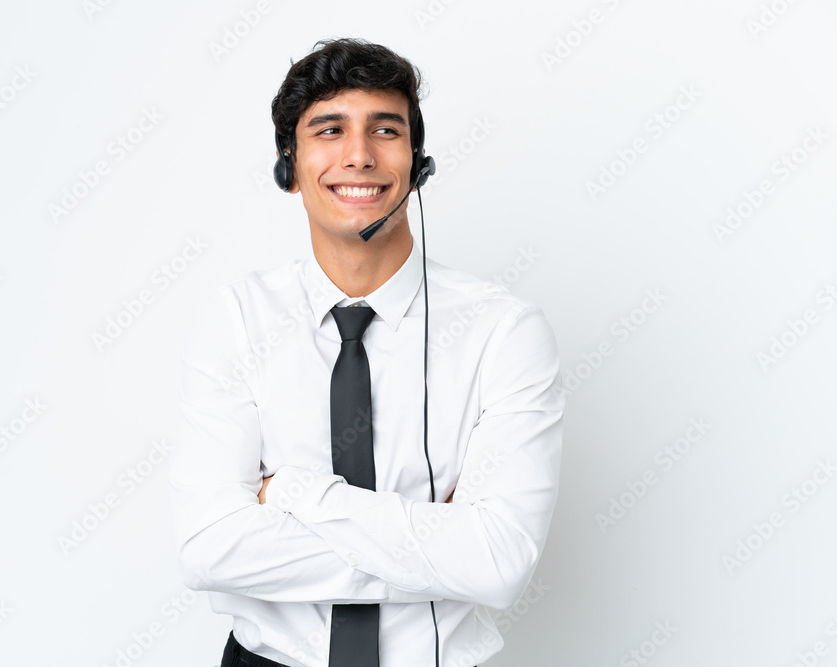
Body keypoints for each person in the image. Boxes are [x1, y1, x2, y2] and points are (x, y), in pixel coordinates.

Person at [168, 38, 563, 667]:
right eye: (329, 130)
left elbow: (498, 562)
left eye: (386, 129)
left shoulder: (504, 333)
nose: (359, 155)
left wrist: (294, 493)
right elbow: (209, 548)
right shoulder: (238, 320)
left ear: (418, 161)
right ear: (289, 166)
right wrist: (437, 547)